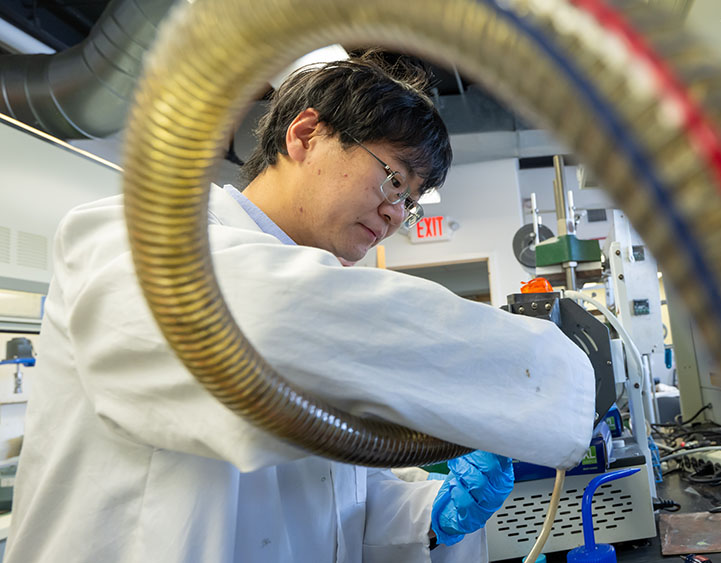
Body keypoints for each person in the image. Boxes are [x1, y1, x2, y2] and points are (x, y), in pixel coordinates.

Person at [7, 54, 596, 563]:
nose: (397, 214)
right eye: (394, 179)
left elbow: (331, 493)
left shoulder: (318, 296)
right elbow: (268, 323)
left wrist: (427, 514)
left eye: (411, 203)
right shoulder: (140, 234)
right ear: (305, 134)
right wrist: (546, 376)